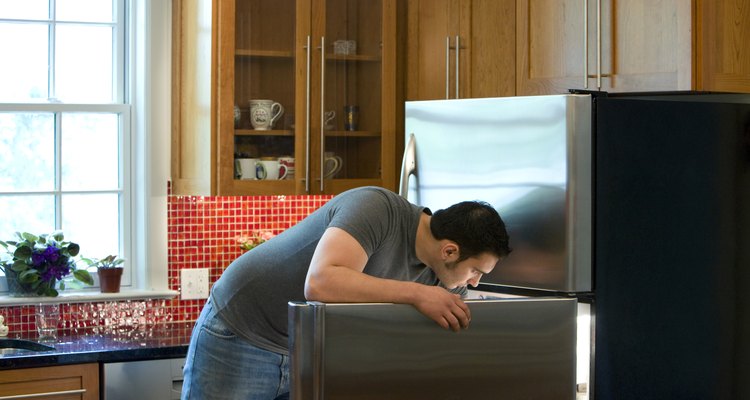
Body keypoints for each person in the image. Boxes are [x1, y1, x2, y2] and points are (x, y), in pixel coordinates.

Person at [181, 186, 511, 400]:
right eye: (476, 271)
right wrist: (416, 294)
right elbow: (321, 283)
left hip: (308, 353)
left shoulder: (441, 277)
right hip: (242, 331)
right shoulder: (376, 208)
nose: (475, 283)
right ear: (450, 251)